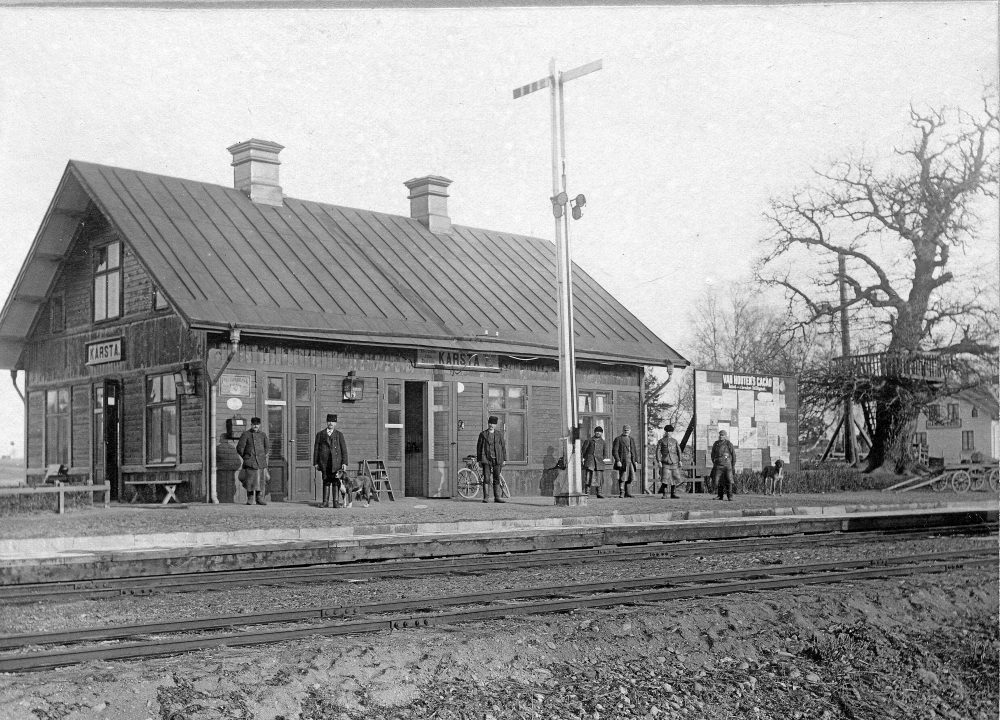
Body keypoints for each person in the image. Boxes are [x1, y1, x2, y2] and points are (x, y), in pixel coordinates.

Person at [314, 413, 349, 508]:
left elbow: (344, 449)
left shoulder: (339, 435)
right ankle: (325, 502)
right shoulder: (320, 434)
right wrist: (316, 462)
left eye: (333, 421)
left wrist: (344, 462)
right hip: (324, 462)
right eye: (329, 421)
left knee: (335, 482)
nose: (331, 423)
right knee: (325, 481)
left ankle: (335, 502)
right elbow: (316, 449)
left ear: (335, 423)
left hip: (336, 462)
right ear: (326, 422)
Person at [236, 417, 269, 506]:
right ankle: (250, 498)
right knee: (250, 480)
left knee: (260, 480)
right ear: (251, 424)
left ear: (260, 425)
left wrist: (260, 455)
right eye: (254, 424)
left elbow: (266, 448)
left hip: (260, 462)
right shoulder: (246, 434)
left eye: (257, 424)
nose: (255, 426)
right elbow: (240, 448)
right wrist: (247, 457)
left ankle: (259, 498)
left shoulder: (263, 435)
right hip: (250, 461)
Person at [477, 416, 507, 503]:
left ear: (496, 425)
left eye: (493, 424)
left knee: (496, 477)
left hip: (498, 459)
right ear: (488, 423)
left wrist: (504, 459)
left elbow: (503, 447)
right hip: (486, 459)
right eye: (490, 423)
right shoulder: (483, 434)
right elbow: (479, 448)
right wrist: (479, 460)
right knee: (486, 478)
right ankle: (486, 497)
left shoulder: (499, 434)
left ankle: (497, 497)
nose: (491, 425)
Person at [612, 424, 640, 498]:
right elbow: (615, 451)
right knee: (623, 477)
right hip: (623, 461)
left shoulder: (632, 439)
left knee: (630, 476)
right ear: (623, 430)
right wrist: (618, 460)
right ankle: (622, 492)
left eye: (627, 430)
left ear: (630, 431)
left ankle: (628, 492)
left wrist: (636, 461)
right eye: (625, 430)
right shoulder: (618, 439)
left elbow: (634, 451)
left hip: (631, 461)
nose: (626, 432)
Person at [581, 426, 608, 498]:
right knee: (588, 478)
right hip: (590, 462)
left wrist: (600, 458)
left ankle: (599, 493)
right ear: (594, 432)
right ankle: (587, 493)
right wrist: (586, 458)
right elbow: (583, 451)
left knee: (599, 478)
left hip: (599, 462)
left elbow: (605, 453)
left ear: (602, 433)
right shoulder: (589, 440)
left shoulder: (603, 442)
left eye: (600, 431)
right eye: (597, 431)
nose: (598, 433)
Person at [656, 424, 682, 499]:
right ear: (665, 432)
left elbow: (679, 451)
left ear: (672, 432)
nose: (668, 433)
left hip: (674, 462)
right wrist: (659, 461)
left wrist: (680, 460)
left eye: (670, 431)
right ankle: (664, 494)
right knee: (665, 478)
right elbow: (657, 451)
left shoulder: (675, 441)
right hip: (665, 462)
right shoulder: (661, 441)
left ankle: (673, 494)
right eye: (667, 431)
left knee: (674, 477)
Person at [711, 430, 737, 501]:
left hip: (727, 465)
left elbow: (733, 455)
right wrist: (715, 461)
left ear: (725, 436)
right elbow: (712, 454)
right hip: (718, 465)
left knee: (729, 480)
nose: (720, 436)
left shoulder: (729, 444)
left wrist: (733, 465)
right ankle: (720, 496)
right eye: (720, 435)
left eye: (722, 435)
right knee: (718, 481)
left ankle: (730, 496)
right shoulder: (716, 444)